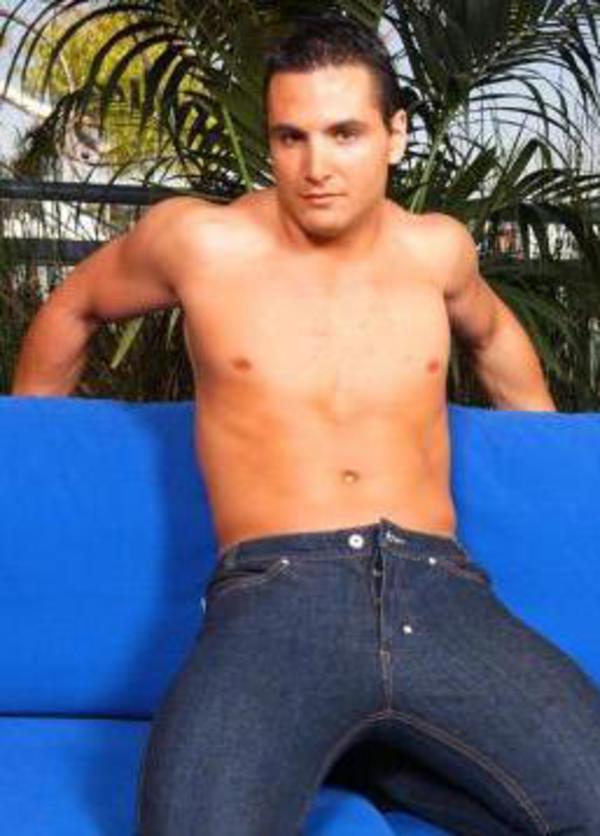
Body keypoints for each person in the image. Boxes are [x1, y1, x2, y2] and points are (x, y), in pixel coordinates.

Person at [11, 11, 600, 836]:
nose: (316, 166)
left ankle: (366, 750)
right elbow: (73, 307)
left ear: (396, 135)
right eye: (292, 137)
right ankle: (357, 740)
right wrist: (28, 453)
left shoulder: (436, 250)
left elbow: (496, 335)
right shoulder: (202, 242)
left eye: (344, 133)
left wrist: (542, 450)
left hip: (439, 591)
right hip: (277, 595)